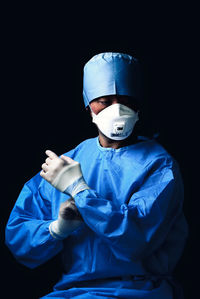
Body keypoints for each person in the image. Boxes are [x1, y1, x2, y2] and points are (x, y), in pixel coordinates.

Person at [5, 52, 188, 298]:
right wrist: (58, 228)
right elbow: (17, 236)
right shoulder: (69, 161)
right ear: (88, 105)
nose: (117, 110)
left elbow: (138, 240)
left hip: (139, 289)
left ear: (138, 104)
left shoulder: (159, 166)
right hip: (73, 291)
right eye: (104, 100)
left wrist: (80, 191)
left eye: (125, 99)